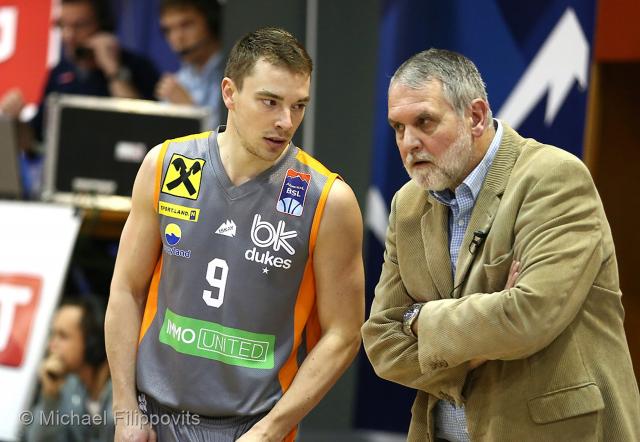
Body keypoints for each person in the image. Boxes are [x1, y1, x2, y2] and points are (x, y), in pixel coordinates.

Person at [361, 48, 640, 441]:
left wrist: (420, 319)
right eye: (398, 127)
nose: (409, 142)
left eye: (424, 122)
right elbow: (381, 340)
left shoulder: (553, 178)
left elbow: (528, 316)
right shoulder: (407, 204)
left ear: (475, 116)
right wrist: (479, 345)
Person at [106, 27, 364, 441]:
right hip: (152, 418)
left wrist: (270, 430)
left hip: (250, 426)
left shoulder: (328, 200)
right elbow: (126, 289)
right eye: (270, 101)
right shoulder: (168, 164)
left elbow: (344, 333)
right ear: (229, 92)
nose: (285, 122)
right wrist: (125, 410)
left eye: (299, 106)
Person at [23, 297, 113, 442]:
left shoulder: (122, 389)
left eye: (63, 336)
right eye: (53, 334)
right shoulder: (69, 386)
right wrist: (50, 398)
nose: (51, 345)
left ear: (92, 342)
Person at [157, 0, 224, 128]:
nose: (177, 37)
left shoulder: (236, 72)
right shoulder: (179, 80)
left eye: (186, 25)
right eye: (168, 30)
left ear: (211, 22)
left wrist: (189, 111)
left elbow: (228, 137)